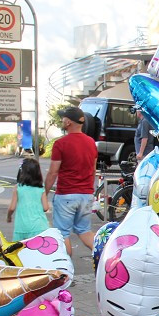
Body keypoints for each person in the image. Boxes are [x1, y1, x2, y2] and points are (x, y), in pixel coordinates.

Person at [45, 106, 98, 256]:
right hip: (86, 195)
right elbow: (93, 170)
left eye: (63, 118)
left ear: (68, 122)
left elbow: (53, 172)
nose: (62, 120)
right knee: (85, 231)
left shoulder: (61, 144)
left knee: (62, 234)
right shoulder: (91, 143)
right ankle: (105, 258)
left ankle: (66, 271)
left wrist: (45, 192)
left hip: (66, 194)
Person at [7, 157, 50, 240]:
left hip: (21, 227)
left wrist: (8, 217)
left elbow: (12, 208)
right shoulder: (41, 188)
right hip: (40, 227)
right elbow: (45, 207)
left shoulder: (18, 188)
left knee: (19, 251)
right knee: (37, 251)